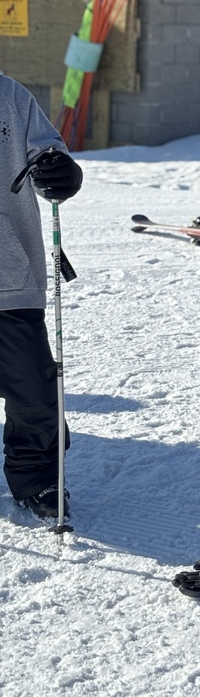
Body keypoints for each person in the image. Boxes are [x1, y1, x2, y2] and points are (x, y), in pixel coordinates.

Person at [1, 72, 83, 520]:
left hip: (8, 279)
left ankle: (39, 478)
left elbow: (48, 155)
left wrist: (61, 173)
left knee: (35, 390)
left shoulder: (9, 94)